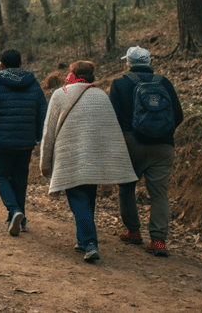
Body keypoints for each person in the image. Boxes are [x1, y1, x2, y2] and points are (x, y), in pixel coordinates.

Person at [40, 60, 137, 262]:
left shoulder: (60, 94)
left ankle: (90, 242)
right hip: (94, 158)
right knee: (87, 197)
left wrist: (45, 163)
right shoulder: (101, 95)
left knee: (78, 200)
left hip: (69, 157)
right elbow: (110, 129)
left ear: (73, 75)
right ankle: (82, 240)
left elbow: (48, 132)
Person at [109, 46, 184, 257]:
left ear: (129, 63)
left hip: (131, 144)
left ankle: (133, 232)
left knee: (126, 188)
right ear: (149, 62)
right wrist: (160, 133)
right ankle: (158, 241)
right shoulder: (164, 82)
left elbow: (112, 118)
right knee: (159, 194)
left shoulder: (120, 83)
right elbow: (178, 115)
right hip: (163, 146)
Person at [0, 49, 48, 237]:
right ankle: (20, 220)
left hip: (2, 142)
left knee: (0, 176)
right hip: (26, 142)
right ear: (20, 64)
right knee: (20, 179)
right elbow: (43, 113)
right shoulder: (33, 85)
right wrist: (39, 138)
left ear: (2, 66)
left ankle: (14, 210)